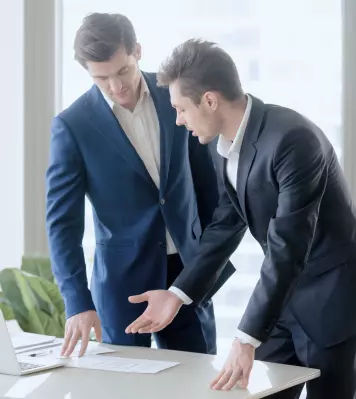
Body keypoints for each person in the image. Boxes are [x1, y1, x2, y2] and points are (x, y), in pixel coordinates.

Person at [125, 39, 356, 398]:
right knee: (252, 392)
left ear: (210, 100)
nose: (178, 120)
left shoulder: (293, 139)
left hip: (329, 301)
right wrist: (178, 293)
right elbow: (225, 225)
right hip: (281, 302)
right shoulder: (223, 145)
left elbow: (287, 246)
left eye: (181, 109)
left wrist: (245, 338)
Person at [46, 15, 235, 358]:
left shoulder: (174, 96)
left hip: (187, 278)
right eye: (101, 78)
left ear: (137, 51)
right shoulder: (72, 127)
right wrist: (77, 302)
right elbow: (62, 225)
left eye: (123, 71)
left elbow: (209, 188)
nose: (116, 87)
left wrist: (207, 267)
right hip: (123, 287)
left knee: (196, 385)